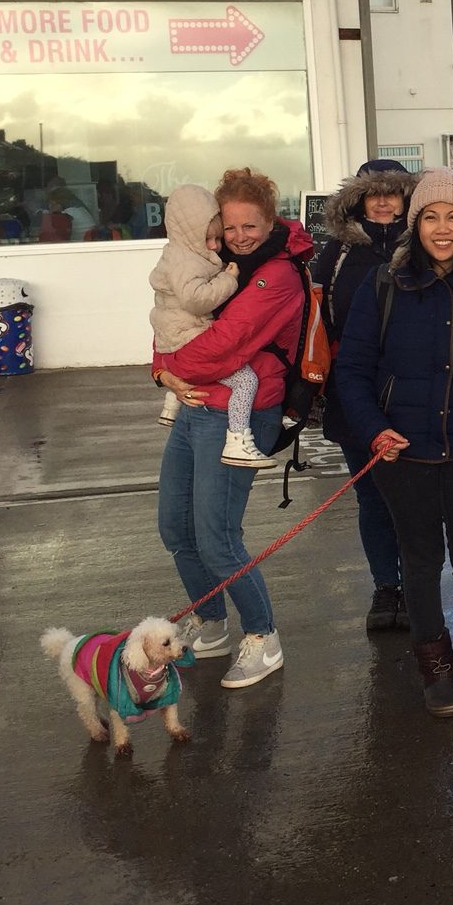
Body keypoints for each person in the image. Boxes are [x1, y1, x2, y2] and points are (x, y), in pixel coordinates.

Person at [335, 167, 453, 717]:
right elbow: (351, 370)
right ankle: (436, 671)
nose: (442, 229)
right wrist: (375, 429)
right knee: (419, 566)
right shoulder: (385, 285)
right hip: (405, 457)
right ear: (413, 223)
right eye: (430, 217)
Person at [154, 167, 311, 690]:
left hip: (240, 411)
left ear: (271, 220)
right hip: (197, 403)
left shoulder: (277, 276)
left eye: (251, 225)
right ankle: (213, 622)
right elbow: (170, 317)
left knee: (218, 538)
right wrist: (159, 368)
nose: (240, 236)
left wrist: (173, 368)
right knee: (176, 528)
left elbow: (225, 345)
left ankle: (263, 637)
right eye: (230, 226)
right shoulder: (218, 262)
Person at [313, 158, 419, 633]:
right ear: (356, 199)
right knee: (372, 499)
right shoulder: (336, 253)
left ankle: (418, 586)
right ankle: (386, 588)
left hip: (415, 394)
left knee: (415, 500)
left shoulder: (425, 243)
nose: (381, 201)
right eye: (372, 193)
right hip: (352, 395)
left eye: (392, 193)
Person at [148, 184, 274, 468]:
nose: (217, 245)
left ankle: (173, 402)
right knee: (245, 380)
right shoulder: (189, 262)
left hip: (176, 338)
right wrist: (228, 280)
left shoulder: (179, 253)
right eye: (213, 237)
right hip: (188, 339)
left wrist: (164, 371)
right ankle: (238, 439)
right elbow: (197, 302)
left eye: (217, 238)